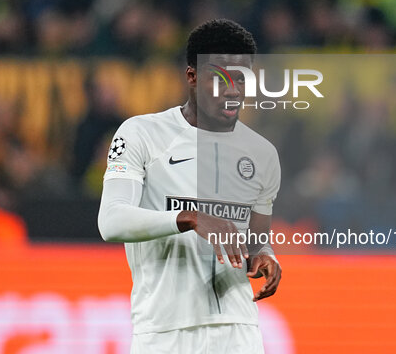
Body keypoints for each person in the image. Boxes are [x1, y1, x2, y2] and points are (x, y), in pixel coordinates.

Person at [98, 19, 282, 353]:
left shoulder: (262, 154)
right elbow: (110, 221)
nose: (232, 90)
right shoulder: (141, 134)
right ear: (192, 77)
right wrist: (189, 218)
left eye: (240, 79)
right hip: (165, 332)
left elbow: (256, 241)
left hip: (239, 332)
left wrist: (265, 256)